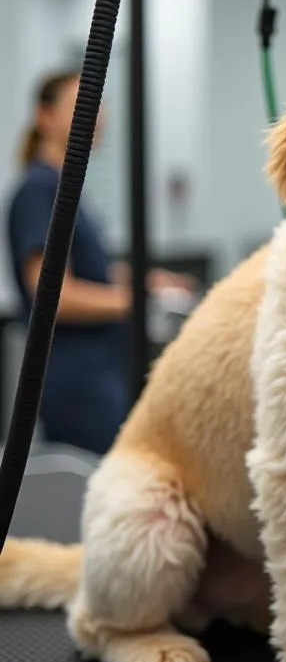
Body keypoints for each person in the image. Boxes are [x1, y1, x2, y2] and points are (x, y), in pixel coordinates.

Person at [5, 68, 193, 454]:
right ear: (45, 117)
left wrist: (148, 281)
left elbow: (93, 271)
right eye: (81, 104)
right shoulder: (38, 192)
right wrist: (136, 302)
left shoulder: (67, 192)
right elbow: (52, 295)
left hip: (100, 372)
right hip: (77, 380)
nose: (96, 115)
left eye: (98, 105)